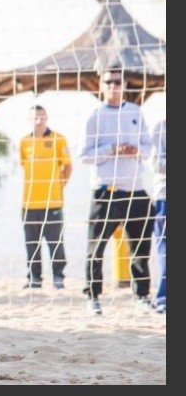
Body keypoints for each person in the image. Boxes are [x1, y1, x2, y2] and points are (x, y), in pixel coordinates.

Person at [79, 69, 154, 316]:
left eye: (117, 81)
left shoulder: (135, 112)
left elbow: (148, 148)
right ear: (101, 85)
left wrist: (135, 150)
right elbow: (84, 156)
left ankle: (142, 296)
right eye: (108, 82)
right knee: (95, 248)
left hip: (135, 189)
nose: (113, 85)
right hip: (106, 190)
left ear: (124, 84)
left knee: (140, 247)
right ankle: (93, 297)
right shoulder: (94, 116)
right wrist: (112, 149)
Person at [18, 104, 72, 290]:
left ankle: (58, 277)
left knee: (55, 243)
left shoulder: (59, 139)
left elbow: (68, 167)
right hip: (29, 204)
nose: (39, 120)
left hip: (53, 203)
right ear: (30, 120)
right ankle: (34, 278)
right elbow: (24, 166)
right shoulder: (24, 142)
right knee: (32, 244)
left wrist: (58, 186)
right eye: (35, 117)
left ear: (47, 118)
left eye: (42, 117)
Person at [149, 118, 165, 314]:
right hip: (165, 196)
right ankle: (163, 298)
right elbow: (156, 163)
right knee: (165, 250)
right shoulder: (160, 127)